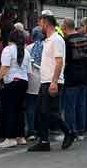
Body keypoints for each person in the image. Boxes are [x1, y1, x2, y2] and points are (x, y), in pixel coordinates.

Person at [29, 15, 75, 152]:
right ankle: (44, 141)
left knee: (49, 111)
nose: (39, 27)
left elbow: (60, 61)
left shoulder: (57, 40)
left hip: (52, 81)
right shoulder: (48, 40)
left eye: (40, 23)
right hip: (45, 80)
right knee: (42, 112)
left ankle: (68, 132)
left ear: (45, 23)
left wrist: (54, 82)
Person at [0, 28, 30, 148]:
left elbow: (5, 67)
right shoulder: (26, 51)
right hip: (23, 82)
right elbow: (28, 71)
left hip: (11, 82)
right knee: (19, 109)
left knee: (9, 109)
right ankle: (20, 136)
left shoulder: (8, 49)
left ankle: (10, 138)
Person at [61, 18, 87, 140]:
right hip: (84, 75)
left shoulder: (66, 41)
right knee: (81, 104)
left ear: (65, 27)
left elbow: (65, 60)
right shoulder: (86, 38)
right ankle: (80, 131)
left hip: (71, 76)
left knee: (70, 105)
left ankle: (71, 131)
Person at [25, 26, 45, 139]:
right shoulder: (46, 46)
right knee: (42, 106)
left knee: (30, 106)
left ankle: (31, 130)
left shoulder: (28, 48)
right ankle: (41, 129)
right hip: (43, 79)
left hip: (31, 79)